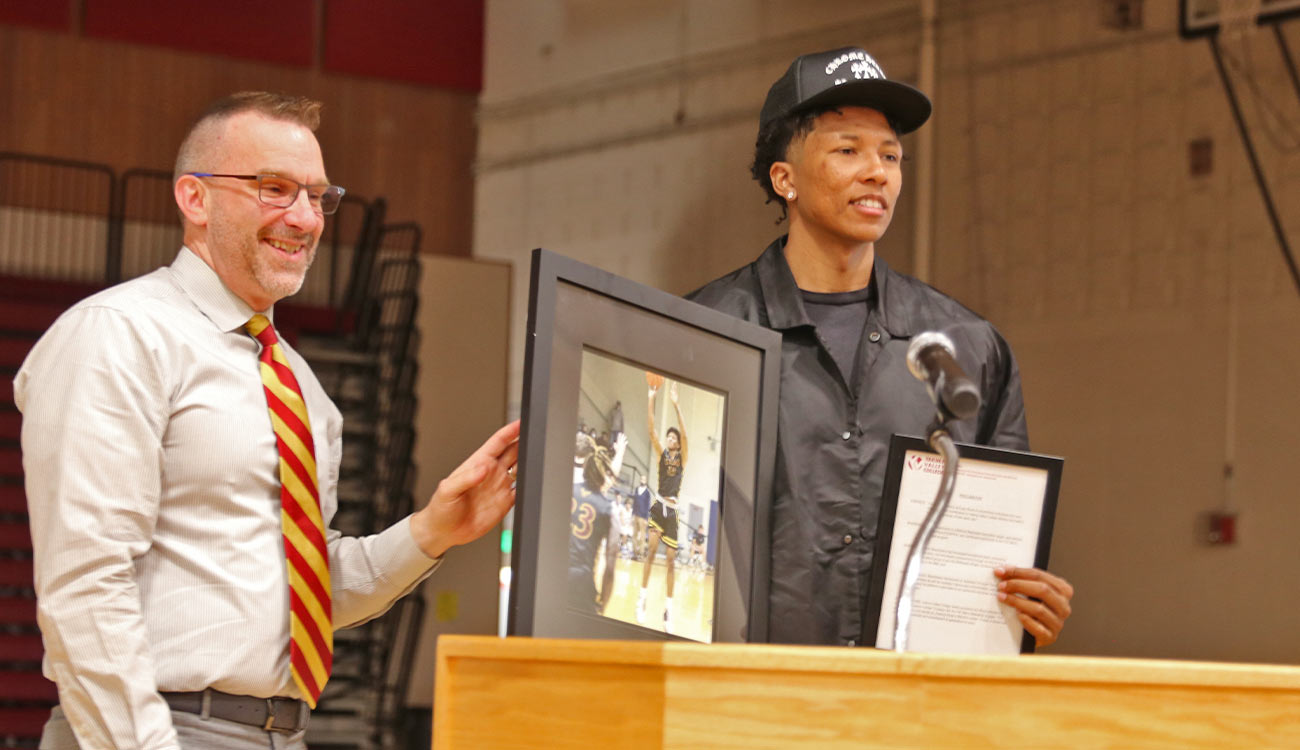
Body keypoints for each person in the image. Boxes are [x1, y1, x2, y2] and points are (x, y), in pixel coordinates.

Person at [14, 92, 519, 749]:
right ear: (194, 199)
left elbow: (306, 593)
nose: (305, 218)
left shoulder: (305, 390)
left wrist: (431, 531)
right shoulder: (118, 336)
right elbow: (86, 585)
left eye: (318, 197)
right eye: (275, 189)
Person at [689, 47, 1074, 647]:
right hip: (750, 705)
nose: (878, 172)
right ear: (783, 178)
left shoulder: (965, 347)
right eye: (848, 150)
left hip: (911, 710)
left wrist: (1022, 604)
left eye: (890, 155)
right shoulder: (702, 333)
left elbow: (997, 541)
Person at [636, 380, 688, 629]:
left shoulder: (683, 457)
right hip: (658, 505)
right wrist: (650, 398)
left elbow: (685, 433)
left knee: (670, 561)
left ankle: (668, 609)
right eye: (668, 436)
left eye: (673, 436)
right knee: (651, 550)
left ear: (677, 443)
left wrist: (677, 406)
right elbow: (650, 431)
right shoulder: (661, 454)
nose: (669, 438)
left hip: (674, 510)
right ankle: (642, 599)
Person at [568, 439, 620, 614]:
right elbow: (611, 565)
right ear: (603, 474)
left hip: (551, 573)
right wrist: (603, 605)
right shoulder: (608, 508)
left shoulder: (566, 489)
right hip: (580, 581)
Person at [630, 471, 651, 560]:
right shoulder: (636, 489)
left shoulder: (647, 493)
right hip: (636, 515)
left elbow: (648, 506)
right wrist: (632, 515)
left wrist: (646, 518)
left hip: (643, 517)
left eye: (644, 479)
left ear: (646, 481)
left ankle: (641, 554)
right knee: (634, 535)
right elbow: (634, 503)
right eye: (641, 479)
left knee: (642, 537)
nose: (642, 480)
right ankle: (634, 553)